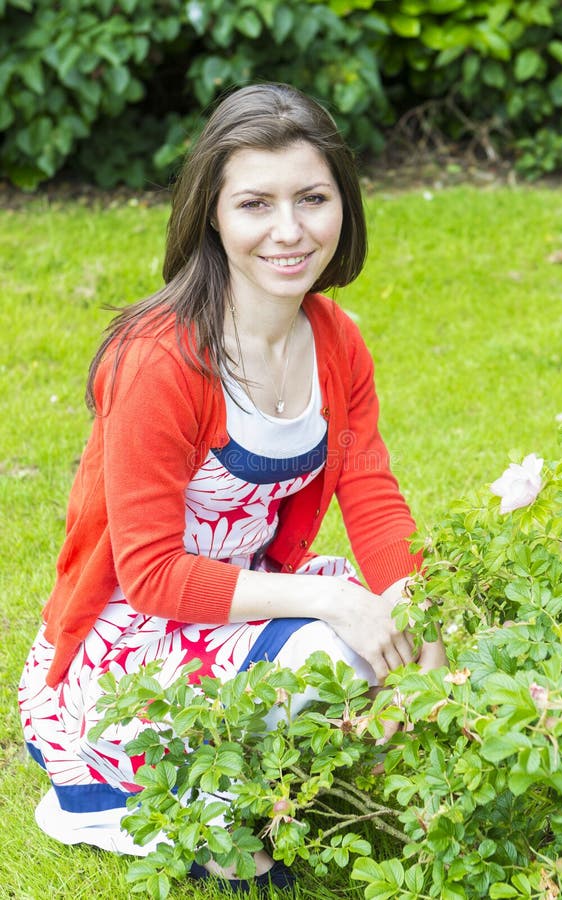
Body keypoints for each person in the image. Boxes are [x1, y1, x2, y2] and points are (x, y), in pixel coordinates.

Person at [18, 82, 446, 893]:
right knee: (335, 645)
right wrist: (335, 604)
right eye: (256, 203)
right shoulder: (162, 359)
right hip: (136, 632)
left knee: (377, 627)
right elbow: (149, 574)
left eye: (313, 198)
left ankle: (244, 777)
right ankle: (193, 804)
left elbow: (374, 496)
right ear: (210, 213)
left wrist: (413, 608)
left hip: (252, 592)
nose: (290, 231)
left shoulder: (336, 340)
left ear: (343, 206)